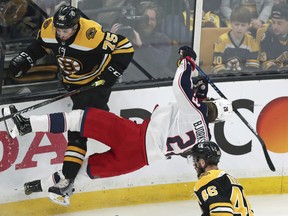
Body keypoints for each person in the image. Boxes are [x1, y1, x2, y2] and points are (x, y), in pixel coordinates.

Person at [2, 46, 233, 206]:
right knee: (80, 171)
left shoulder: (193, 109)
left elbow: (180, 86)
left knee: (80, 119)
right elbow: (196, 108)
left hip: (134, 137)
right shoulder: (203, 134)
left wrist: (186, 60)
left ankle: (24, 125)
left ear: (210, 104)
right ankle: (35, 187)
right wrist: (201, 91)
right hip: (137, 161)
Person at [7, 4, 134, 202]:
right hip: (71, 84)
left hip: (94, 85)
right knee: (94, 125)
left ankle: (65, 180)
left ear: (75, 27)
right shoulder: (50, 26)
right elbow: (40, 45)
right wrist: (24, 59)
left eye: (65, 31)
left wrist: (109, 77)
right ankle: (62, 180)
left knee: (78, 126)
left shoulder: (92, 33)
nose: (60, 33)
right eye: (59, 29)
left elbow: (125, 47)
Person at [110, 1, 173, 81]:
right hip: (124, 86)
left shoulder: (162, 39)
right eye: (145, 19)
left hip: (148, 85)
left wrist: (141, 45)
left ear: (157, 21)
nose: (149, 23)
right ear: (138, 19)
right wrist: (110, 40)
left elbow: (160, 61)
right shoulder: (126, 36)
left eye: (153, 19)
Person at [189, 141, 254, 215]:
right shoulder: (229, 179)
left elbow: (222, 212)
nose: (194, 165)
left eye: (195, 160)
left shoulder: (207, 180)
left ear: (202, 162)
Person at [211, 7, 260, 74]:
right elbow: (217, 67)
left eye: (243, 25)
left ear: (249, 25)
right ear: (231, 23)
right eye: (236, 24)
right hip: (224, 79)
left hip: (245, 80)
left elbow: (252, 69)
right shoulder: (221, 41)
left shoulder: (252, 42)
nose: (239, 28)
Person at [259, 3, 288, 71]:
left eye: (279, 23)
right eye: (273, 22)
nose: (275, 27)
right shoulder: (267, 36)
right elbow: (264, 63)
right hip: (273, 76)